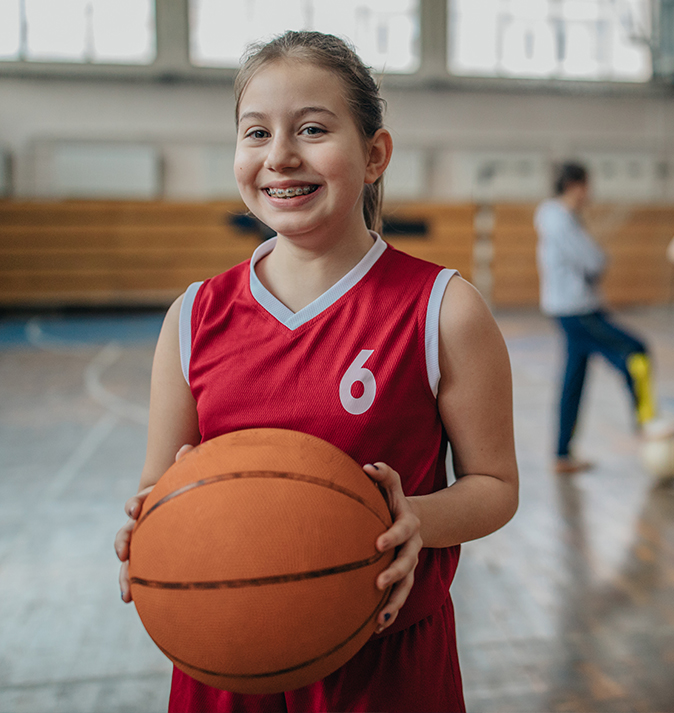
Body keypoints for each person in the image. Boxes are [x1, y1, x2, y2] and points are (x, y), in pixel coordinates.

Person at [114, 30, 518, 713]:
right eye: (255, 132)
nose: (280, 156)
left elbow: (496, 486)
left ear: (374, 154)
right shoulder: (193, 315)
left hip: (384, 663)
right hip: (226, 657)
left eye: (311, 128)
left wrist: (412, 517)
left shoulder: (442, 309)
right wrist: (152, 524)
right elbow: (159, 483)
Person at [535, 161, 657, 475]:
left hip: (572, 310)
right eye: (586, 185)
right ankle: (649, 425)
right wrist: (599, 257)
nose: (589, 193)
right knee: (635, 351)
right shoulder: (560, 221)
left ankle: (562, 453)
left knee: (573, 381)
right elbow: (593, 261)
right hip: (578, 311)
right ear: (574, 186)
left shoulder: (561, 219)